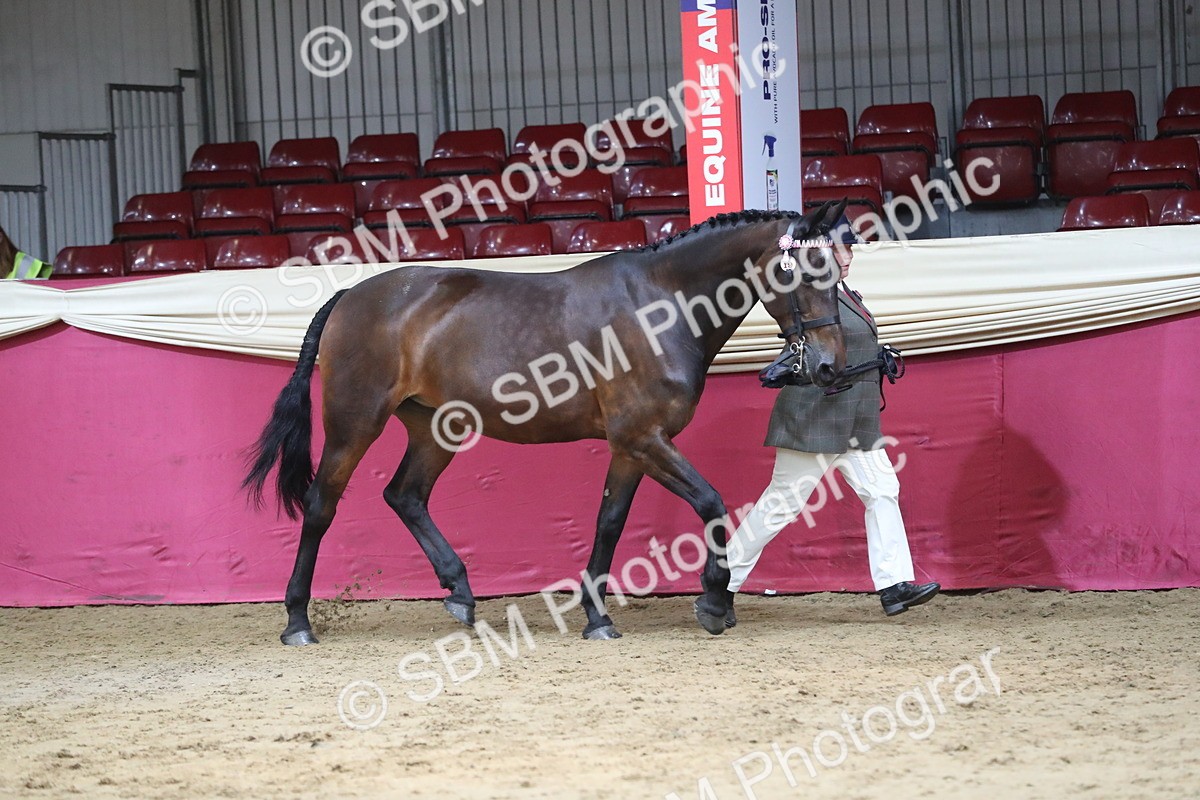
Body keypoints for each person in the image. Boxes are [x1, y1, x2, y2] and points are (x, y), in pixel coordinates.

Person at [724, 215, 939, 624]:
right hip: (815, 417)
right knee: (781, 506)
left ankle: (894, 586)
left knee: (882, 490)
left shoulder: (847, 294)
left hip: (855, 418)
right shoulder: (810, 296)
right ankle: (722, 581)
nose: (847, 256)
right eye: (839, 249)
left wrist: (878, 357)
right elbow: (806, 356)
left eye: (850, 248)